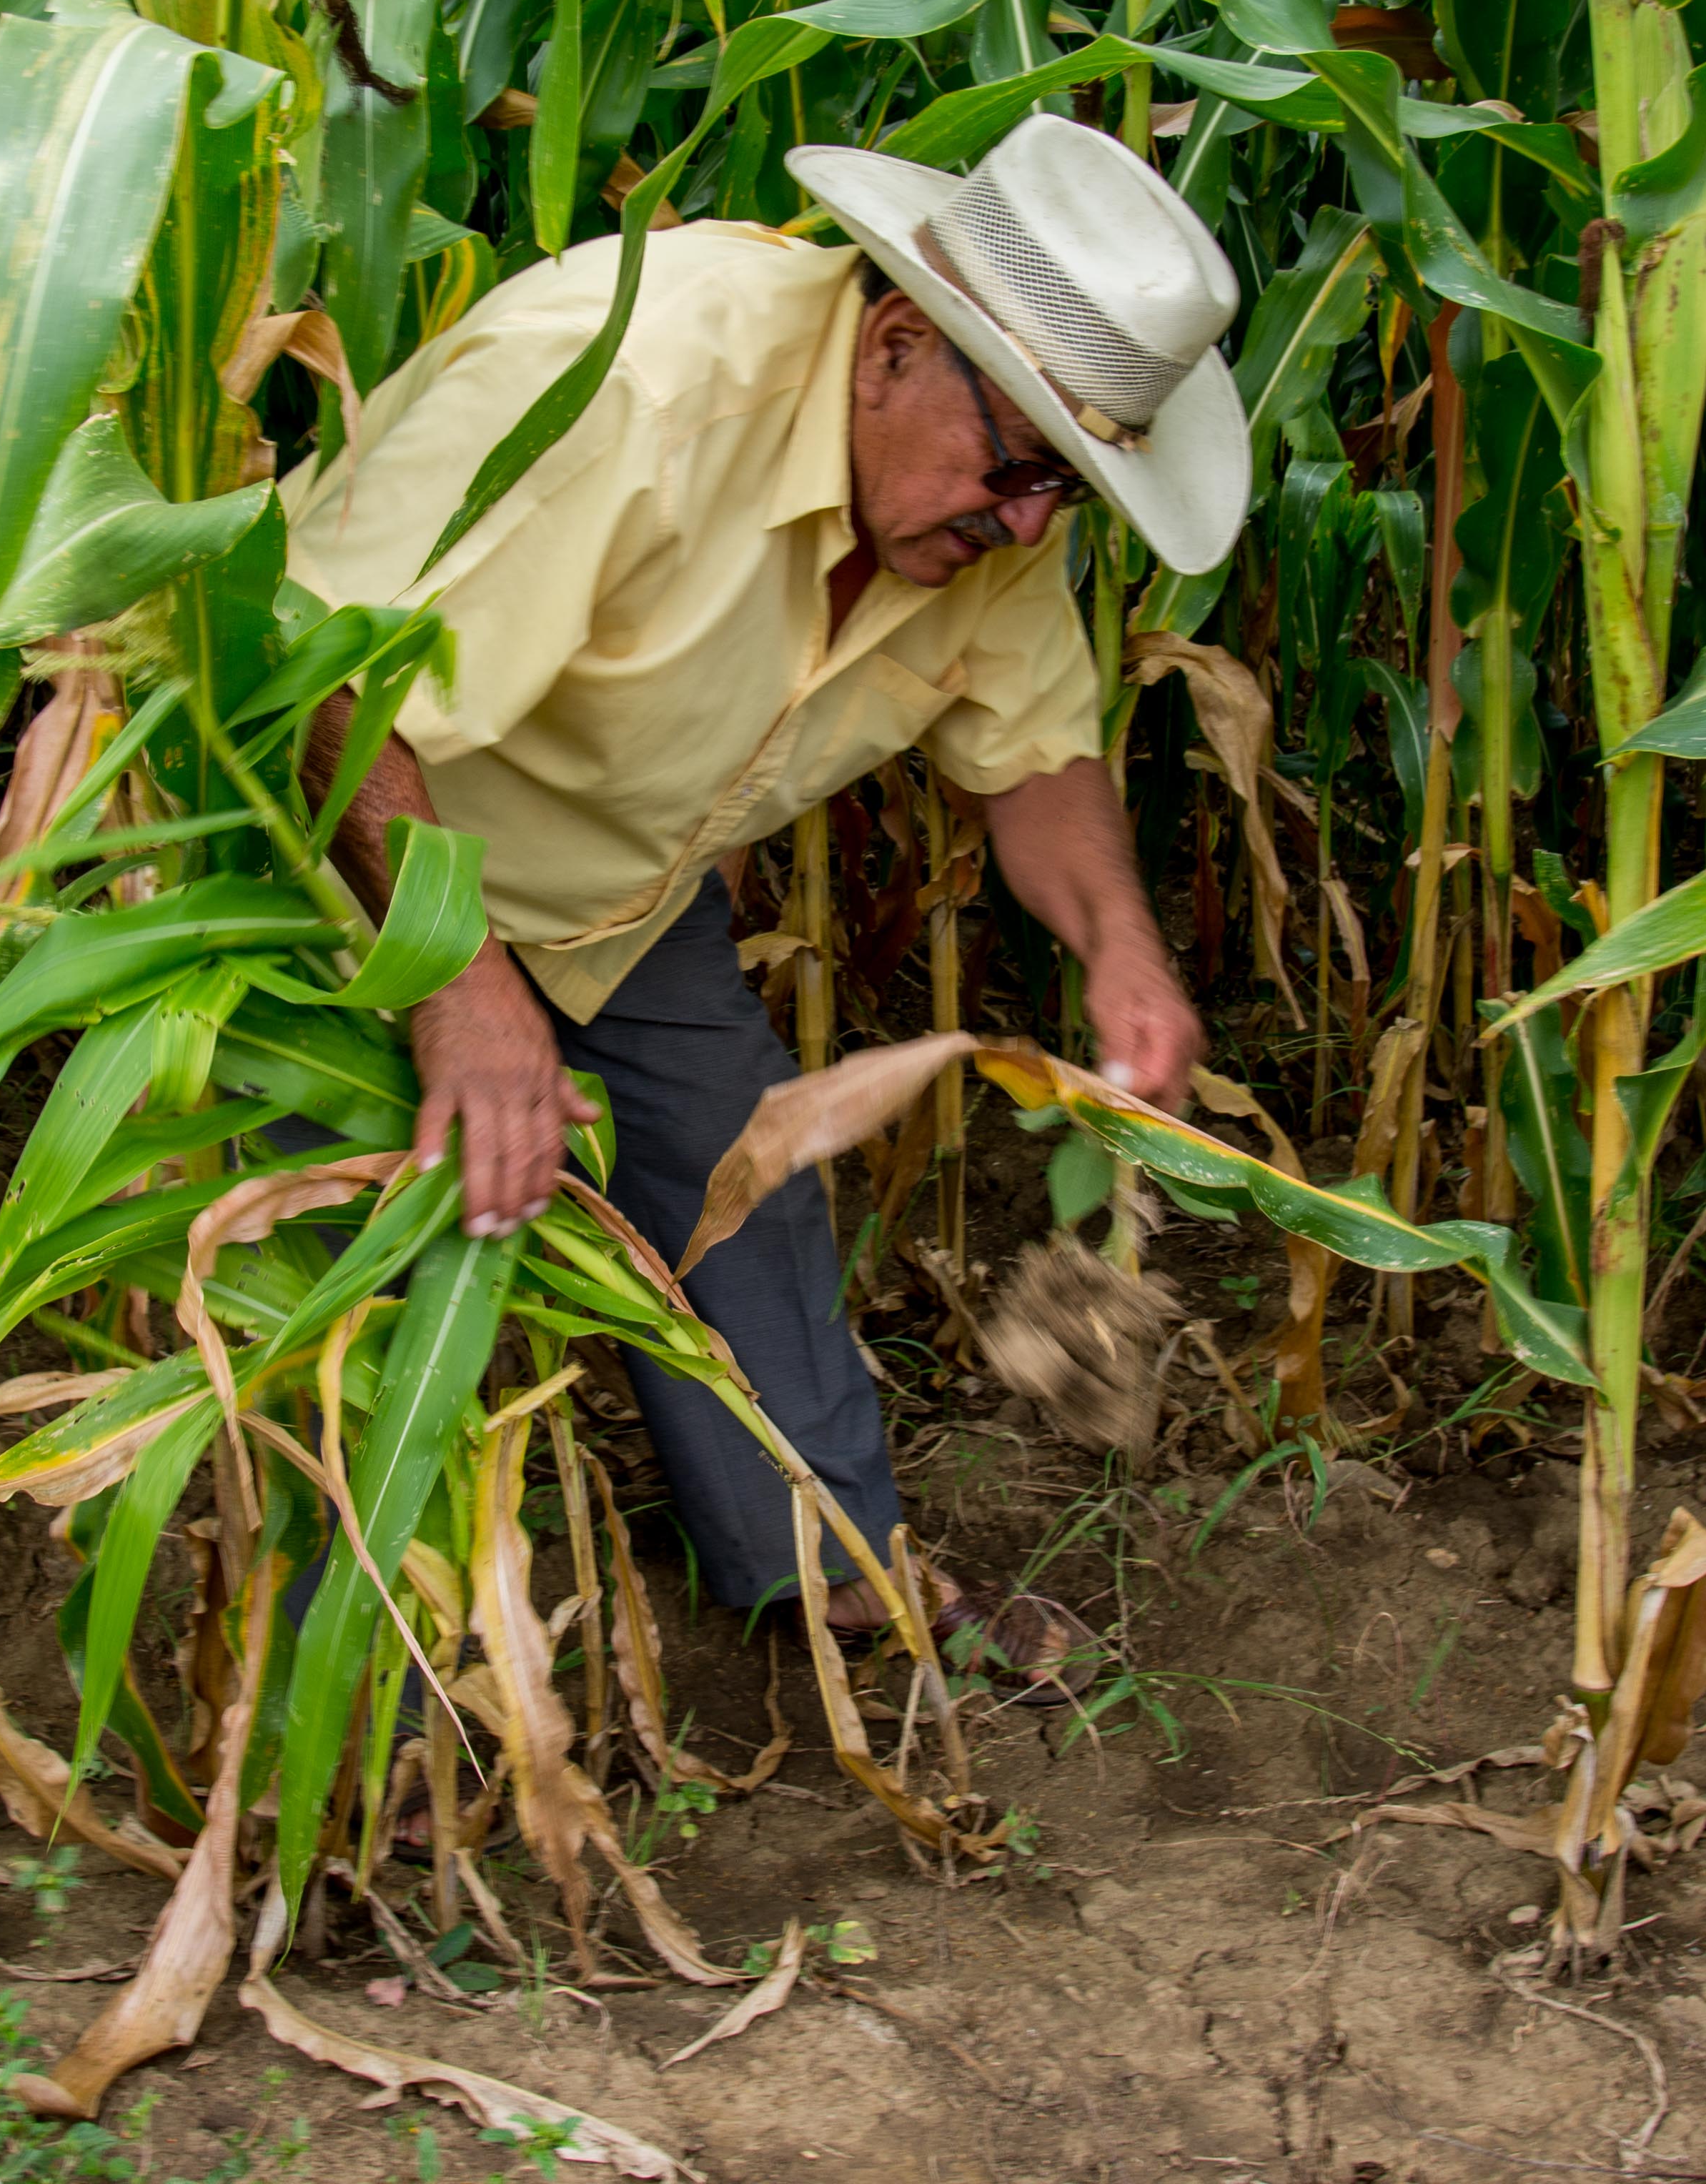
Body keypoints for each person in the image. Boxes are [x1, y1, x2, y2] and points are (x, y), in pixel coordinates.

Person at [282, 113, 1246, 1691]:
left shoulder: (981, 511)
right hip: (350, 848)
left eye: (1061, 497)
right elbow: (325, 678)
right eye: (1015, 472)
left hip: (610, 889)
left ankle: (830, 1570)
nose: (1023, 529)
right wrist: (457, 986)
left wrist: (1120, 955)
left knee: (742, 1182)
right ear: (889, 350)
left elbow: (1034, 756)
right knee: (346, 1262)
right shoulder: (636, 386)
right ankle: (351, 1702)